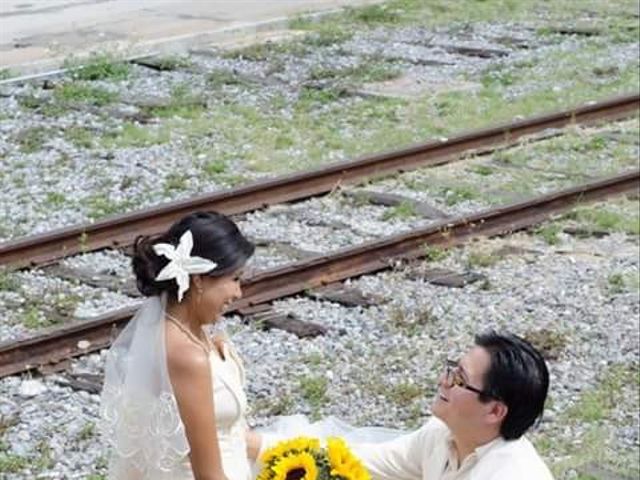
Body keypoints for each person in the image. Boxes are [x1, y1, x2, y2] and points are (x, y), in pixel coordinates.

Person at [100, 211, 256, 480]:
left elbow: (230, 435)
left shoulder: (197, 332)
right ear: (198, 280)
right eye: (234, 279)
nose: (238, 293)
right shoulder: (186, 356)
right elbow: (208, 475)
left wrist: (298, 449)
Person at [351, 331, 554, 479]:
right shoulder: (442, 434)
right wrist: (321, 454)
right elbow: (371, 461)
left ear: (494, 411)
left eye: (460, 380)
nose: (443, 381)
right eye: (453, 370)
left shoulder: (511, 473)